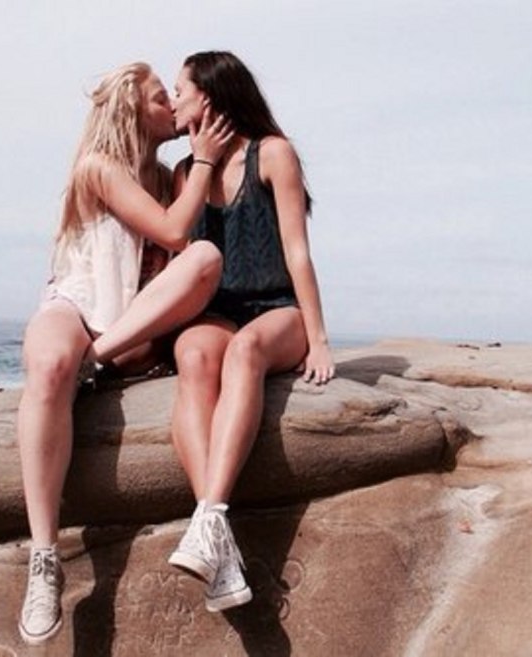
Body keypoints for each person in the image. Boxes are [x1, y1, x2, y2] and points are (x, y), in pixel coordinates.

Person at [16, 61, 232, 645]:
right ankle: (44, 559)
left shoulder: (168, 178)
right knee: (52, 362)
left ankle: (98, 361)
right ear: (130, 109)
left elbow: (189, 244)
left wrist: (202, 157)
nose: (173, 107)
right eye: (163, 98)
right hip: (74, 311)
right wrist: (205, 163)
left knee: (206, 258)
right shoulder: (97, 167)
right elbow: (168, 231)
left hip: (123, 337)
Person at [165, 51, 335, 613]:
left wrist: (319, 337)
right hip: (218, 309)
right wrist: (203, 164)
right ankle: (220, 547)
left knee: (245, 351)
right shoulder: (186, 172)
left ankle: (209, 515)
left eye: (180, 92)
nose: (173, 102)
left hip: (275, 308)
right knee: (192, 352)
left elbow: (297, 251)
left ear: (208, 97)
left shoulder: (274, 153)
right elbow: (180, 253)